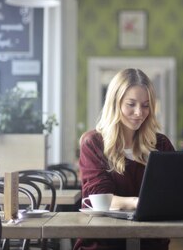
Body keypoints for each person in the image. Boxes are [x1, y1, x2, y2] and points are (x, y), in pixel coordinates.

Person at [74, 68, 175, 250]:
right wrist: (138, 202)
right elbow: (99, 198)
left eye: (145, 105)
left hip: (150, 242)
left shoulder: (161, 144)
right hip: (103, 243)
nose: (139, 113)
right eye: (131, 104)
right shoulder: (94, 143)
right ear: (115, 103)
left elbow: (172, 192)